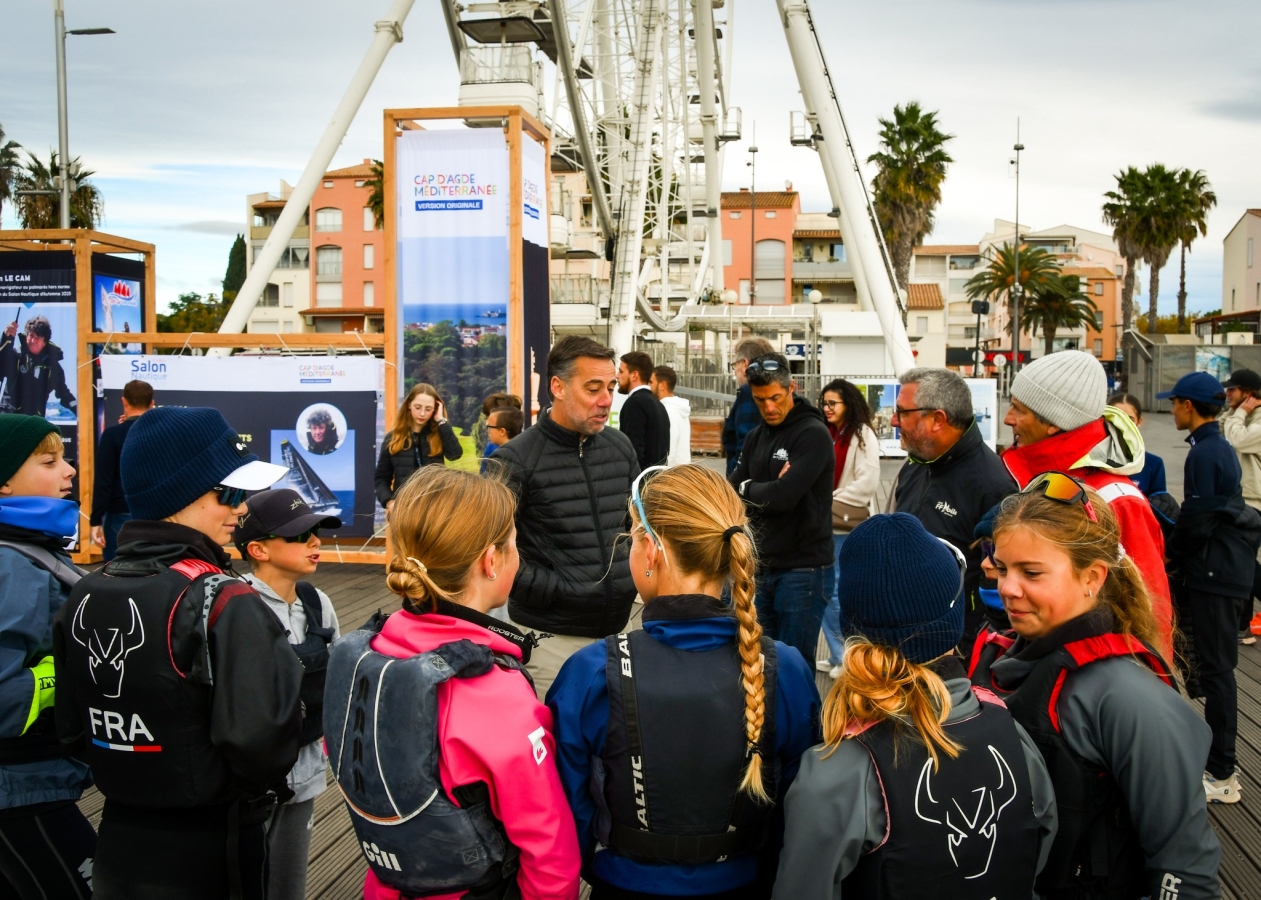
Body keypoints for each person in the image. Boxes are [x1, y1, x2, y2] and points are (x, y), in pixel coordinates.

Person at [52, 405, 303, 900]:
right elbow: (262, 742)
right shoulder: (224, 600)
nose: (242, 509)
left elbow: (73, 731)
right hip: (213, 845)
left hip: (118, 839)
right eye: (231, 493)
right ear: (181, 495)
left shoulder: (85, 589)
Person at [548, 464, 821, 899]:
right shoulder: (784, 668)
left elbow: (569, 806)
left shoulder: (593, 671)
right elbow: (799, 804)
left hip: (625, 882)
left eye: (633, 538)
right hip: (745, 883)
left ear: (652, 551)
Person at [324, 466, 580, 900]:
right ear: (491, 561)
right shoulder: (495, 695)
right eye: (514, 544)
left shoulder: (362, 656)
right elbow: (547, 843)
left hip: (388, 884)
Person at [775, 513, 1057, 900]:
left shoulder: (835, 773)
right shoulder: (1014, 736)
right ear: (953, 620)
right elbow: (1038, 854)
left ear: (854, 629)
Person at [969, 475, 1222, 899]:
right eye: (1003, 567)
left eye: (1031, 572)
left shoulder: (1129, 699)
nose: (1007, 588)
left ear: (1092, 577)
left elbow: (1186, 870)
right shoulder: (1000, 657)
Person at [1002, 350, 1174, 659]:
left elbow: (1151, 617)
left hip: (1097, 673)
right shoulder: (1044, 481)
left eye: (1018, 409)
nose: (1008, 418)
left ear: (1053, 422)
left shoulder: (1117, 500)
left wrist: (1147, 680)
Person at [495, 335, 640, 698]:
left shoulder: (620, 448)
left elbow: (636, 527)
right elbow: (489, 548)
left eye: (611, 387)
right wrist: (554, 589)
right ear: (557, 387)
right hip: (549, 639)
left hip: (619, 635)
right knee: (553, 733)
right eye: (593, 388)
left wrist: (629, 579)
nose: (606, 400)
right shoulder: (515, 459)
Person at [0, 414, 95, 899]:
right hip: (21, 788)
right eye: (48, 461)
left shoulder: (28, 549)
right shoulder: (12, 563)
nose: (69, 470)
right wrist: (75, 671)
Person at [233, 489, 342, 900]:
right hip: (245, 784)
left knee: (287, 886)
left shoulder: (318, 602)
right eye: (298, 535)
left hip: (306, 775)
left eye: (315, 532)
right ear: (258, 549)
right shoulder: (233, 603)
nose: (314, 541)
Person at [1160, 372, 1261, 803]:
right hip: (1225, 570)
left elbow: (1198, 520)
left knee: (1218, 673)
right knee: (1217, 670)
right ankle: (1219, 767)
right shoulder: (1215, 446)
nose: (1171, 409)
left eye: (1174, 403)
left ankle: (1222, 775)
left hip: (1217, 575)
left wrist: (1170, 555)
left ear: (1188, 405)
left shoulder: (1205, 452)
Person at [889, 368, 1016, 652]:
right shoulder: (915, 465)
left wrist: (966, 646)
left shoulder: (992, 486)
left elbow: (998, 581)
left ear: (937, 419)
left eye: (902, 412)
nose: (893, 420)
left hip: (953, 647)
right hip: (902, 631)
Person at [729, 352, 834, 667]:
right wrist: (764, 488)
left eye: (775, 398)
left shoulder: (812, 434)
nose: (769, 408)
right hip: (762, 566)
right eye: (760, 400)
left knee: (794, 666)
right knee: (762, 664)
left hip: (803, 569)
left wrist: (751, 488)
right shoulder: (756, 437)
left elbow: (783, 497)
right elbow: (730, 489)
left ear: (792, 388)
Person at [817, 378, 881, 679]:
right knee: (825, 588)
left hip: (843, 522)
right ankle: (837, 654)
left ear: (848, 404)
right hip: (822, 521)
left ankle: (846, 655)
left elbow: (867, 483)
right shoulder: (827, 432)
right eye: (824, 403)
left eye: (833, 403)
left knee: (834, 589)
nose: (827, 408)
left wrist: (828, 498)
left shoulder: (861, 434)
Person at [90, 378, 153, 561]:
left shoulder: (112, 435)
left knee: (116, 569)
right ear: (152, 404)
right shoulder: (163, 434)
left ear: (124, 401)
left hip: (120, 513)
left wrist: (96, 520)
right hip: (154, 514)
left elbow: (103, 481)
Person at [374, 383, 463, 512]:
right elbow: (381, 478)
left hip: (435, 508)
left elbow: (455, 454)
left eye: (428, 409)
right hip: (404, 509)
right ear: (409, 405)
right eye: (418, 407)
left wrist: (441, 421)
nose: (422, 413)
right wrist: (390, 502)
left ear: (435, 409)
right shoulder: (393, 438)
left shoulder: (439, 433)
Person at [1220, 367, 1261, 641]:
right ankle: (1243, 624)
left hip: (1255, 501)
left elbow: (1237, 439)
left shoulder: (1258, 421)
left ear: (1248, 394)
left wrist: (1240, 414)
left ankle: (1242, 622)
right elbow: (1222, 429)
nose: (1227, 393)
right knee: (1244, 562)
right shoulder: (1242, 416)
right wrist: (1236, 412)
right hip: (1243, 499)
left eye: (1232, 390)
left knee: (1248, 565)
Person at [0, 316, 76, 418]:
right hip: (9, 418)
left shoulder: (52, 367)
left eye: (38, 338)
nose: (33, 340)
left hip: (34, 421)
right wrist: (6, 339)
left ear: (44, 342)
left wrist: (80, 410)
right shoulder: (15, 356)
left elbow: (65, 394)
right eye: (31, 336)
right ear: (26, 336)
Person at [723, 337, 776, 475]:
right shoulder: (778, 391)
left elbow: (746, 446)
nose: (735, 371)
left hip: (747, 481)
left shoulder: (750, 393)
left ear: (745, 365)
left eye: (735, 365)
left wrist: (734, 481)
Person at [617, 351, 672, 471]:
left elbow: (633, 452)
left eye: (621, 371)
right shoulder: (658, 404)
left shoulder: (635, 404)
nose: (617, 376)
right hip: (657, 477)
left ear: (634, 375)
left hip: (641, 479)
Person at [1107, 392, 1166, 496]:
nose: (1124, 424)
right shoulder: (1093, 462)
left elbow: (1159, 503)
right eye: (1117, 418)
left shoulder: (1154, 464)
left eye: (1130, 419)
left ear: (1139, 422)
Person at [651, 364, 692, 466]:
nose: (648, 386)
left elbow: (669, 451)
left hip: (672, 472)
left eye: (651, 382)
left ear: (662, 385)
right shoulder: (677, 409)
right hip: (681, 471)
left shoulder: (667, 411)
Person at [474, 392, 522, 457]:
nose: (487, 423)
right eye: (486, 418)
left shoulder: (526, 444)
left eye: (490, 418)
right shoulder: (491, 446)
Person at [481, 405, 524, 475]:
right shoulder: (491, 447)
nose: (487, 431)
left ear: (502, 431)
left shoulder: (517, 458)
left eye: (489, 427)